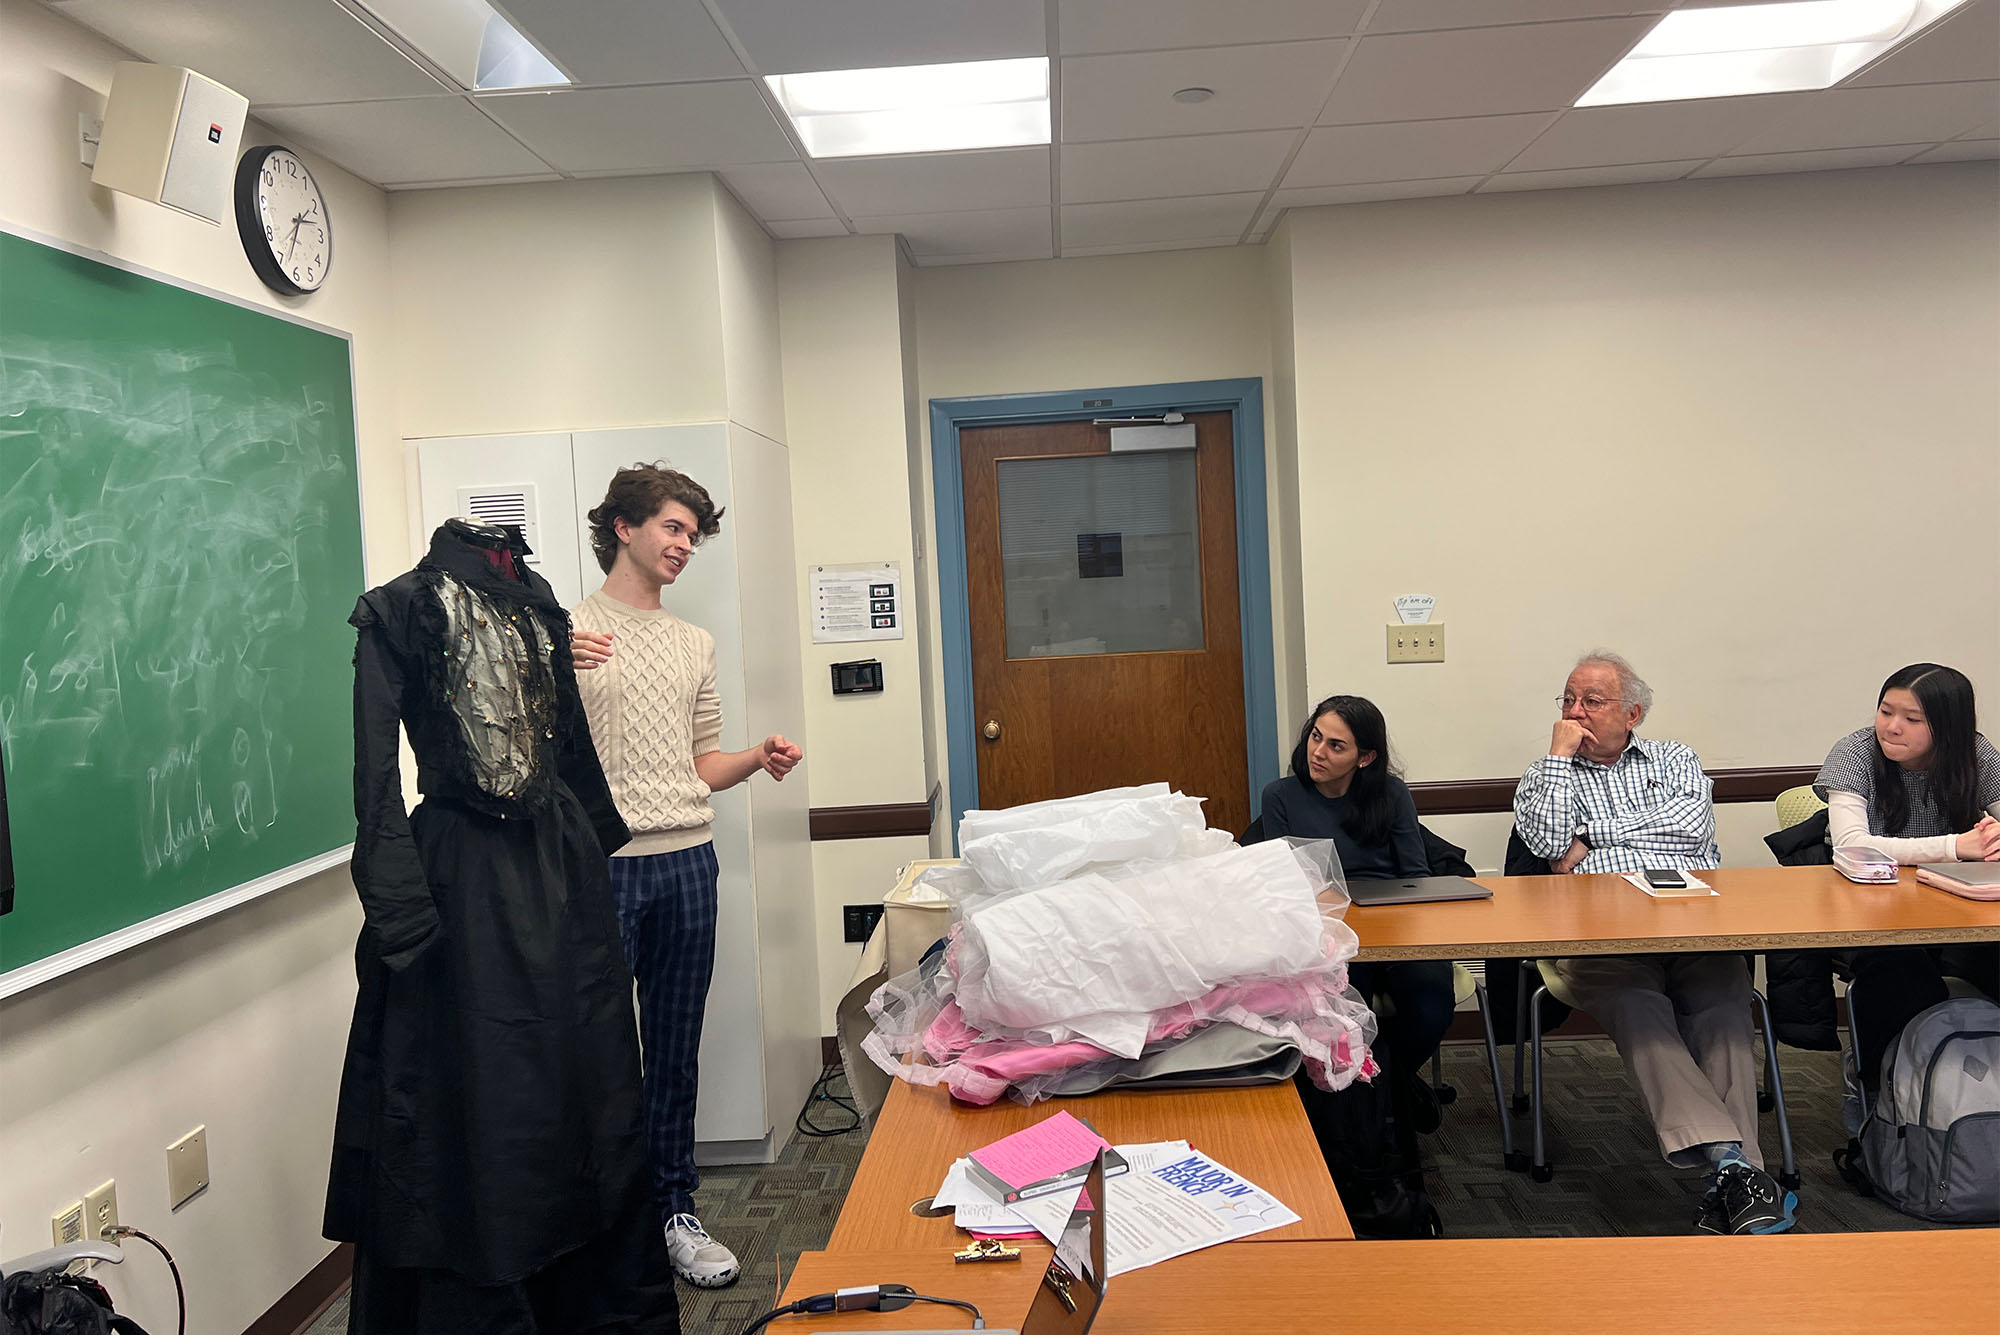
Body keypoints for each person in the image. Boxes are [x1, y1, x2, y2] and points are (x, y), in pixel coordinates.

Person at [333, 519, 677, 1331]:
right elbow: (375, 773)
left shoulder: (540, 601)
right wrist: (402, 918)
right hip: (463, 885)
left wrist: (595, 841)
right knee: (480, 1097)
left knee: (583, 1088)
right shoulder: (398, 610)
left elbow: (567, 743)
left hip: (561, 879)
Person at [568, 465, 803, 1290]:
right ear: (624, 527)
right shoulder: (567, 632)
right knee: (596, 1056)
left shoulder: (692, 642)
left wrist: (756, 756)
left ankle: (675, 1210)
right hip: (603, 870)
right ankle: (601, 1224)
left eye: (692, 536)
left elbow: (700, 762)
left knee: (672, 1052)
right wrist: (554, 669)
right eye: (672, 527)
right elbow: (539, 757)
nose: (682, 546)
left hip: (687, 865)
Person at [1514, 650, 1795, 1236]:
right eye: (1568, 700)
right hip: (1598, 936)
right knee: (1641, 1009)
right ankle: (1735, 1165)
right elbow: (1545, 842)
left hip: (1689, 921)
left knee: (1723, 1005)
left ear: (1633, 713)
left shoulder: (1675, 759)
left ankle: (1731, 1172)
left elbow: (1689, 827)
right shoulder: (1549, 771)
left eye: (1593, 700)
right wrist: (1559, 760)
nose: (1576, 712)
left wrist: (1591, 836)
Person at [1258, 696, 1454, 1135]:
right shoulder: (1281, 796)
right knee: (1346, 1009)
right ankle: (1384, 1098)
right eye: (1315, 737)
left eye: (1336, 745)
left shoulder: (1391, 794)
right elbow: (1288, 882)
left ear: (1365, 757)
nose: (1318, 752)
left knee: (1431, 1002)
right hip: (1328, 930)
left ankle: (1390, 1086)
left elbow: (1415, 875)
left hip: (1392, 923)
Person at [1815, 663, 2000, 1092]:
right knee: (1902, 979)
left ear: (1949, 726)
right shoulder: (1855, 753)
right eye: (1885, 712)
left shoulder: (1975, 754)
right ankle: (1884, 1096)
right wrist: (1956, 847)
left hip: (1957, 912)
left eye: (1912, 719)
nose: (1892, 727)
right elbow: (1851, 845)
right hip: (1871, 914)